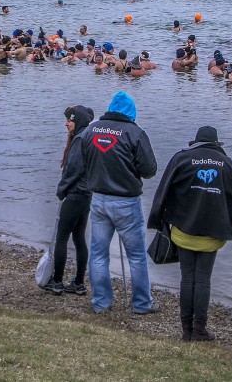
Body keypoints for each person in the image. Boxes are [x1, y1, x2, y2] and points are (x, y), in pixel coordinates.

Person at [148, 126, 232, 341]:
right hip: (213, 231)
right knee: (203, 279)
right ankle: (199, 329)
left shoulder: (182, 159)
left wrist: (157, 220)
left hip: (183, 229)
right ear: (217, 144)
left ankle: (186, 330)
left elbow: (163, 190)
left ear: (195, 141)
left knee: (187, 278)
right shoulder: (227, 163)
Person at [66, 91, 158, 315]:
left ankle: (101, 302)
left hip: (98, 199)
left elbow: (83, 160)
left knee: (98, 253)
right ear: (131, 112)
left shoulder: (90, 130)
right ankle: (141, 303)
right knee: (136, 256)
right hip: (126, 201)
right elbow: (149, 170)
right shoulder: (135, 132)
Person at [48, 105, 95, 296]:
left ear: (78, 122)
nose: (67, 124)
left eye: (70, 120)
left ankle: (57, 281)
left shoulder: (79, 139)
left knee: (62, 237)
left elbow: (73, 170)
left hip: (75, 194)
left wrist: (61, 190)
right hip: (86, 195)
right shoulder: (88, 136)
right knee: (79, 238)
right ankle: (79, 283)